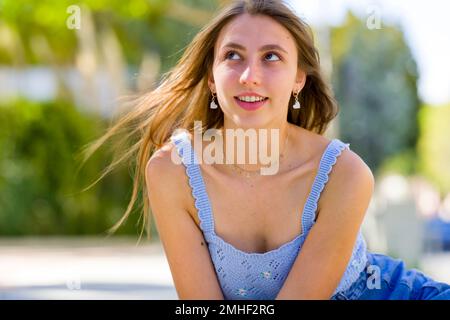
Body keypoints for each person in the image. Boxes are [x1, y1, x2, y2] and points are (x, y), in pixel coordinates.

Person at [84, 0, 450, 300]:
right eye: (233, 56)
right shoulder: (172, 171)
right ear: (212, 77)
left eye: (271, 57)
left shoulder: (344, 174)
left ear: (298, 78)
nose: (249, 76)